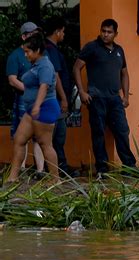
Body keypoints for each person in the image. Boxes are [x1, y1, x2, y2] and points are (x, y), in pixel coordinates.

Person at [72, 18, 136, 178]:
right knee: (98, 133)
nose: (105, 35)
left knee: (122, 131)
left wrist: (126, 96)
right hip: (96, 98)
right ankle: (102, 169)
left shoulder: (119, 50)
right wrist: (82, 91)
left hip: (115, 99)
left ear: (116, 34)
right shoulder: (91, 48)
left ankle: (129, 167)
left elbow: (124, 73)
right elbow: (76, 68)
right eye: (103, 31)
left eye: (109, 32)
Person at [6, 32, 60, 183]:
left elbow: (44, 86)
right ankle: (12, 178)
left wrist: (37, 105)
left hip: (44, 109)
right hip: (32, 110)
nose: (25, 55)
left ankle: (55, 179)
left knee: (45, 144)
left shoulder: (45, 66)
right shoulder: (35, 65)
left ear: (37, 51)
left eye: (27, 51)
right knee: (19, 139)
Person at [6, 22, 45, 177]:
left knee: (39, 135)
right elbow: (12, 79)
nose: (35, 36)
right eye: (32, 33)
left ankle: (40, 170)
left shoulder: (42, 54)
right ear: (24, 36)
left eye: (37, 33)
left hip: (40, 99)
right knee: (21, 134)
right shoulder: (15, 55)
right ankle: (21, 169)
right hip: (23, 99)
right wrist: (30, 90)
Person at [44, 16, 80, 178]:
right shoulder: (50, 50)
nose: (64, 35)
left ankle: (60, 166)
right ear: (57, 32)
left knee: (58, 136)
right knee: (57, 136)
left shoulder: (51, 49)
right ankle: (57, 168)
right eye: (63, 32)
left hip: (55, 99)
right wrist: (64, 98)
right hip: (56, 100)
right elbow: (56, 75)